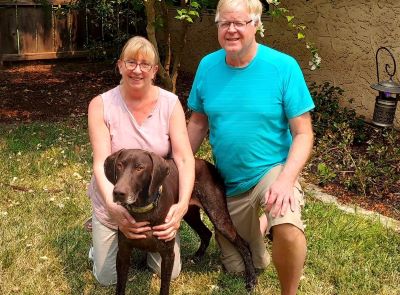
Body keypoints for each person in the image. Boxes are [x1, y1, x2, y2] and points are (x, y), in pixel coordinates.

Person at [186, 0, 315, 294]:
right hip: (230, 181)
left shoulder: (283, 67)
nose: (231, 30)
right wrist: (177, 167)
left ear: (256, 25)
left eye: (239, 23)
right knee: (244, 265)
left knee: (287, 223)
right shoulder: (207, 66)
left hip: (272, 170)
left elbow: (304, 133)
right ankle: (260, 226)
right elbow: (197, 124)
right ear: (217, 26)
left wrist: (285, 181)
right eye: (224, 23)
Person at [87, 36, 195, 285]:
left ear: (155, 70)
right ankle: (100, 240)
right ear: (120, 66)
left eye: (145, 64)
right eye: (131, 62)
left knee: (170, 271)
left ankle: (144, 245)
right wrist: (114, 210)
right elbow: (100, 161)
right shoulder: (100, 105)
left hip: (154, 205)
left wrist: (181, 206)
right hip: (113, 200)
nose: (137, 69)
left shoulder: (170, 104)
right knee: (106, 278)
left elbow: (184, 158)